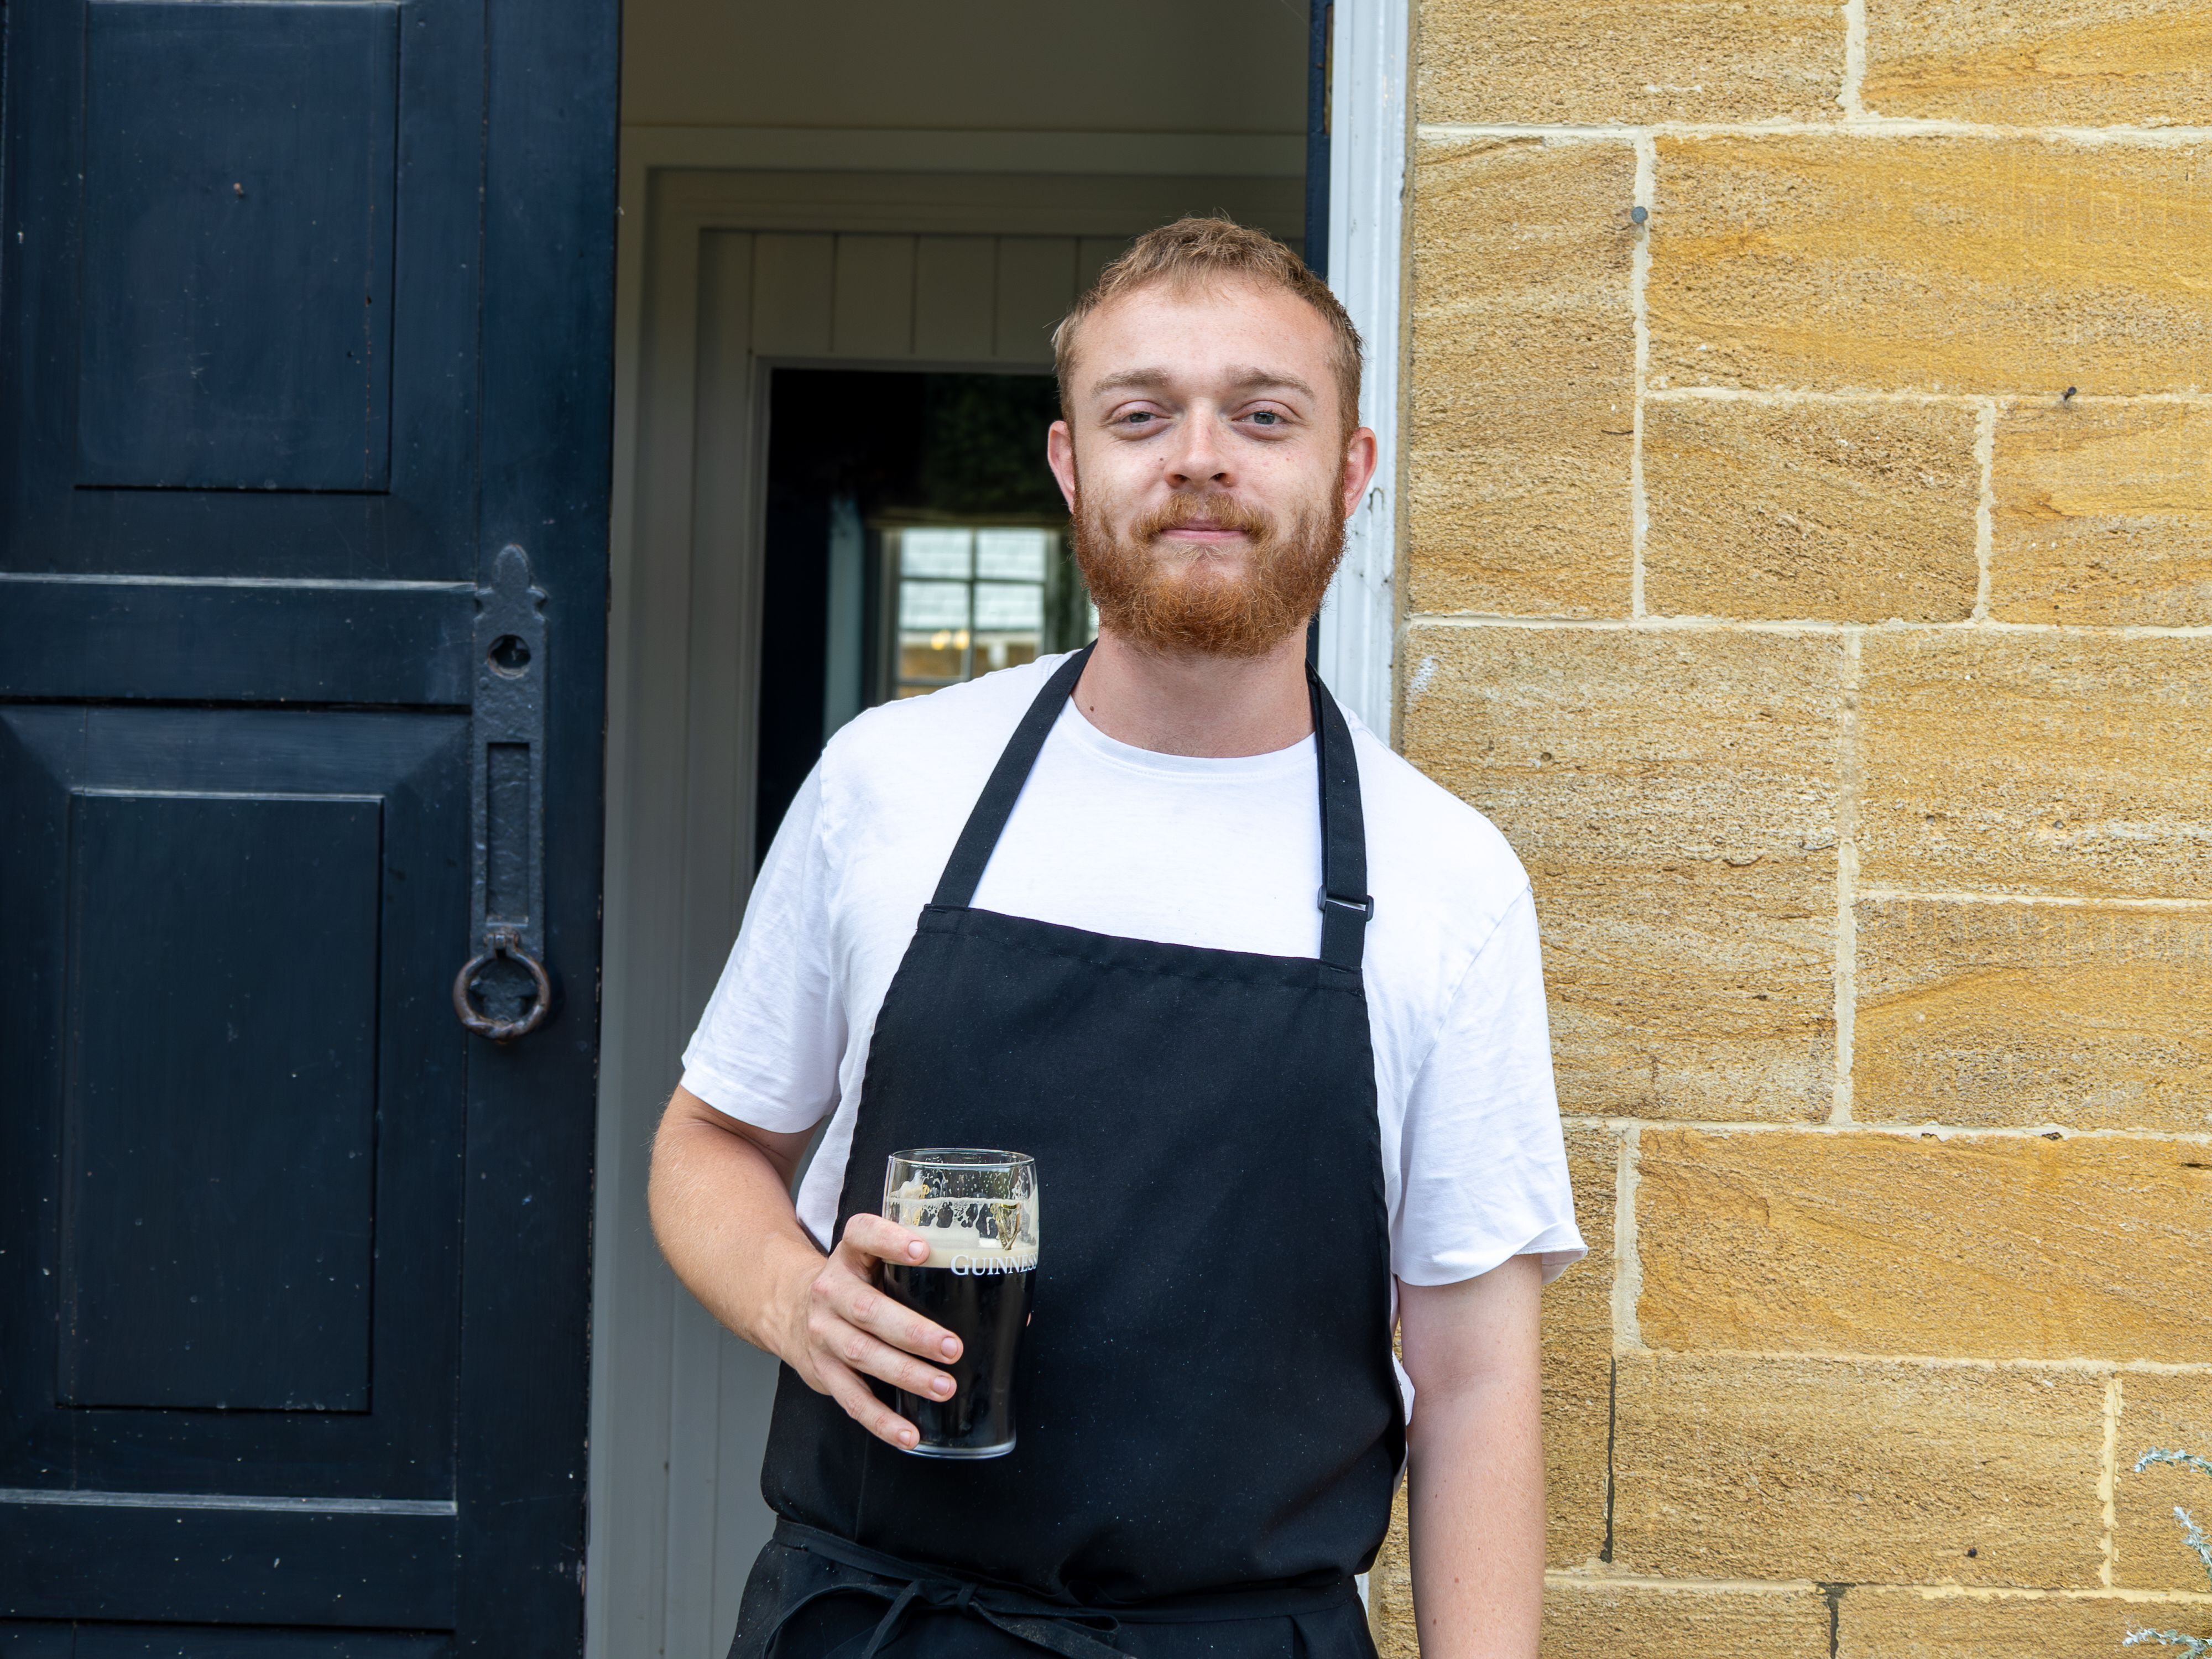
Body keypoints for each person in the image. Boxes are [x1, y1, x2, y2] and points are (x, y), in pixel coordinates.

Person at [650, 217, 1584, 1659]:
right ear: (1072, 465)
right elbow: (706, 1146)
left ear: (1351, 471)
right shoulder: (890, 786)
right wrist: (793, 1297)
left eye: (1263, 416)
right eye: (1142, 414)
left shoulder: (1448, 881)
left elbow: (1471, 1387)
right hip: (879, 1629)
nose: (1201, 455)